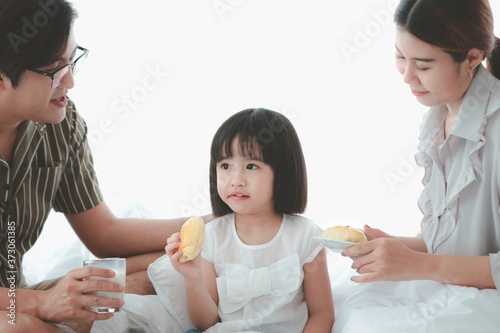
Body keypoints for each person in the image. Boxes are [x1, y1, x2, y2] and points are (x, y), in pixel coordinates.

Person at [0, 1, 212, 332]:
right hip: (18, 308)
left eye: (72, 61)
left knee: (172, 266)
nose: (69, 83)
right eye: (56, 70)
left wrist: (211, 222)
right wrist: (43, 303)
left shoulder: (60, 125)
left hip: (18, 296)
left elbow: (105, 234)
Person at [344, 0, 500, 290]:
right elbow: (457, 245)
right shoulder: (439, 115)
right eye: (401, 56)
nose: (406, 76)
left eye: (424, 65)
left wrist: (418, 264)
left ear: (472, 58)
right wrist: (393, 248)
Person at [166, 108, 334, 332]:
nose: (235, 180)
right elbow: (206, 322)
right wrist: (192, 278)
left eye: (251, 166)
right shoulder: (212, 237)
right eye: (225, 166)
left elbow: (322, 313)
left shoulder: (306, 236)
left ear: (282, 172)